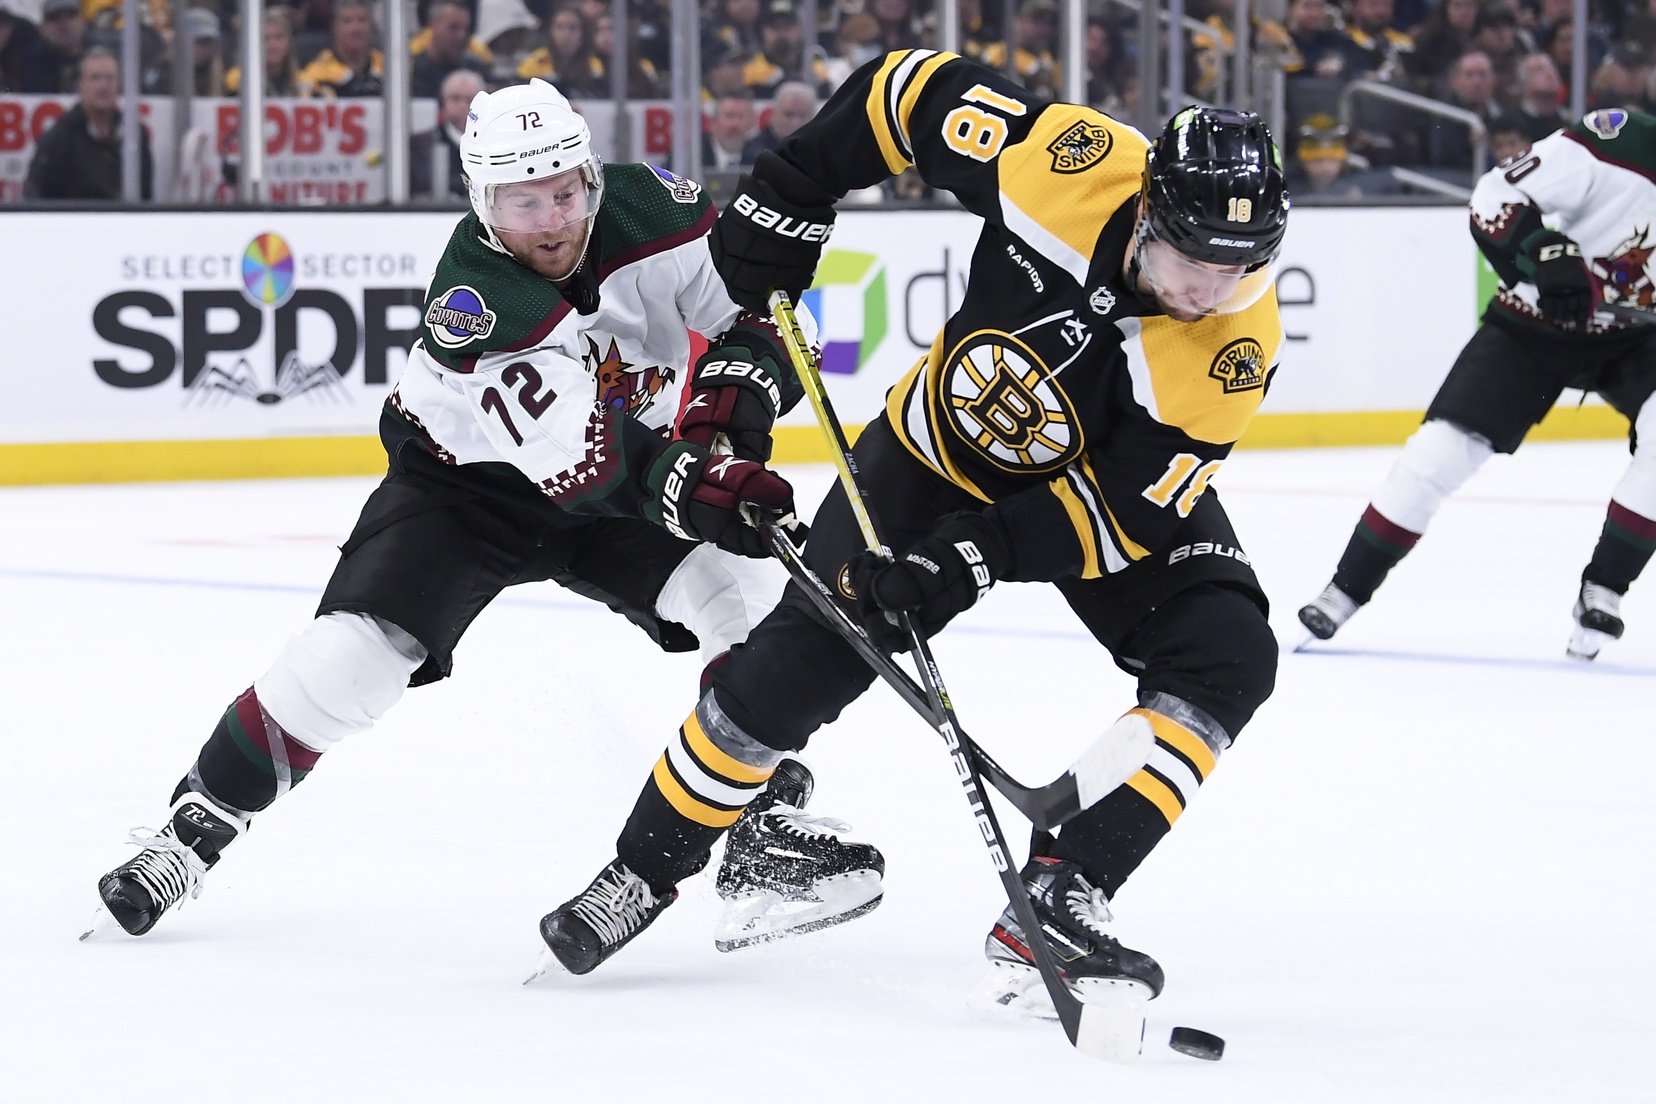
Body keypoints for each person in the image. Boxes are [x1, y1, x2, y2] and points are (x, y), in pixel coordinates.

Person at [538, 49, 1289, 1029]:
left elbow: (1123, 513)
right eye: (1197, 255)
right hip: (934, 455)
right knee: (787, 675)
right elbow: (909, 92)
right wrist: (796, 186)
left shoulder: (1234, 348)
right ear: (1148, 207)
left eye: (1241, 263)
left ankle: (1062, 894)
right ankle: (641, 869)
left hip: (1082, 498)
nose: (1213, 284)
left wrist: (969, 558)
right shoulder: (1069, 162)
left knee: (1230, 653)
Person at [88, 79, 884, 955]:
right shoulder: (476, 303)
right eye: (523, 200)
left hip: (626, 467)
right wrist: (705, 490)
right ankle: (192, 834)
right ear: (482, 199)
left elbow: (753, 313)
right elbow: (593, 462)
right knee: (353, 659)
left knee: (756, 611)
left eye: (567, 191)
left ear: (591, 175)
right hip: (469, 491)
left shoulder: (654, 208)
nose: (552, 220)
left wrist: (740, 396)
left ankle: (751, 830)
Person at [1299, 108, 1656, 662]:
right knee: (1440, 453)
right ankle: (1345, 589)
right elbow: (1496, 194)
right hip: (1538, 322)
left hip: (1641, 339)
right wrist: (1543, 252)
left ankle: (1604, 588)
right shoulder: (1621, 141)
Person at [24, 47, 152, 200]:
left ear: (118, 85)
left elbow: (146, 193)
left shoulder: (135, 133)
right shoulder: (59, 137)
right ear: (80, 84)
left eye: (110, 78)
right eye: (95, 78)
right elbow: (36, 193)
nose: (104, 86)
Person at [410, 67, 482, 199]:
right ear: (443, 102)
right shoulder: (419, 145)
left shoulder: (496, 145)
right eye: (455, 98)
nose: (463, 105)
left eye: (469, 99)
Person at [297, 0, 384, 98]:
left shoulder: (387, 66)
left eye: (362, 20)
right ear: (335, 27)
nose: (355, 28)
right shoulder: (317, 73)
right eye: (347, 21)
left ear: (371, 25)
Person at [516, 1, 605, 97]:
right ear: (550, 31)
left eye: (572, 27)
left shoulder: (594, 66)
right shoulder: (532, 64)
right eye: (560, 27)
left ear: (583, 33)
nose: (566, 35)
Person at [410, 0, 491, 100]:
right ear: (433, 24)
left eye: (465, 29)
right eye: (453, 28)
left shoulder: (477, 71)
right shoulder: (413, 73)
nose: (461, 36)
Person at [225, 6, 307, 97]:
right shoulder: (238, 81)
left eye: (278, 37)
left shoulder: (302, 81)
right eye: (265, 38)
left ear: (289, 42)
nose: (273, 45)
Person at [740, 79, 815, 162]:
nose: (795, 122)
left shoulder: (820, 151)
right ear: (773, 115)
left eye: (802, 116)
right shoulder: (755, 151)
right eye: (789, 114)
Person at [18, 0, 84, 93]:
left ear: (82, 21)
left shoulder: (102, 54)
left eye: (71, 15)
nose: (64, 25)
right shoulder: (32, 64)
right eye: (55, 18)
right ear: (43, 27)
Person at [1510, 52, 1570, 143]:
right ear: (1523, 82)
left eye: (1552, 68)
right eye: (1539, 70)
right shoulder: (1513, 123)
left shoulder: (1568, 120)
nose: (1549, 74)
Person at [703, 91, 756, 170]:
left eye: (741, 117)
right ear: (714, 121)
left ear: (751, 123)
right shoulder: (696, 156)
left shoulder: (759, 158)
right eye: (729, 116)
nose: (735, 124)